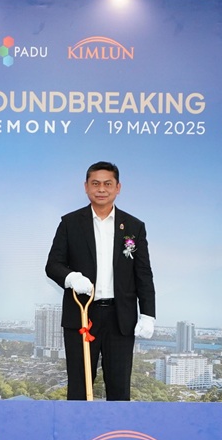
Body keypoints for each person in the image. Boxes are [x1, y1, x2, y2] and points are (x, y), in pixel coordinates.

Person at [46, 161, 156, 401]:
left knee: (119, 387)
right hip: (82, 315)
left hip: (120, 318)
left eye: (108, 184)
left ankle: (116, 436)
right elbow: (52, 265)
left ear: (118, 187)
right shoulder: (70, 223)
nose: (101, 189)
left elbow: (143, 274)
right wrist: (71, 277)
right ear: (86, 187)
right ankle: (76, 437)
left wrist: (148, 313)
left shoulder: (134, 227)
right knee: (79, 385)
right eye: (95, 183)